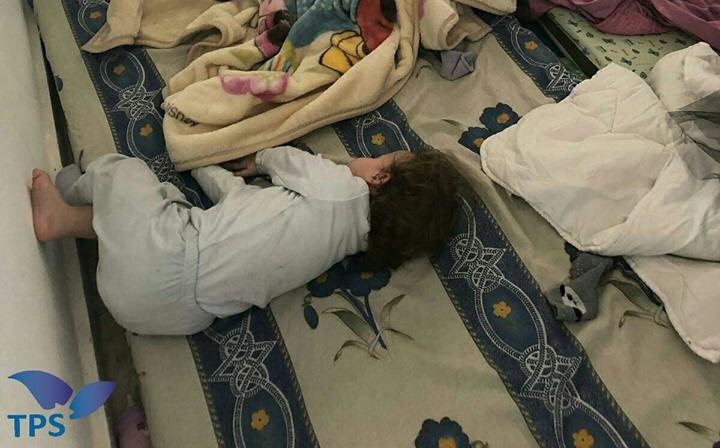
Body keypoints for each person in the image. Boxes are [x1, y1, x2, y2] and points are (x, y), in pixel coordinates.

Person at [29, 145, 464, 336]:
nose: (364, 158)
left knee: (124, 173)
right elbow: (239, 205)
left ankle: (70, 193)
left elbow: (290, 161)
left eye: (379, 157)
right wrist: (204, 168)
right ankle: (70, 221)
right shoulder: (339, 246)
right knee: (169, 211)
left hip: (167, 256)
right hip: (167, 316)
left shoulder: (341, 188)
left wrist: (260, 159)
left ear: (378, 179)